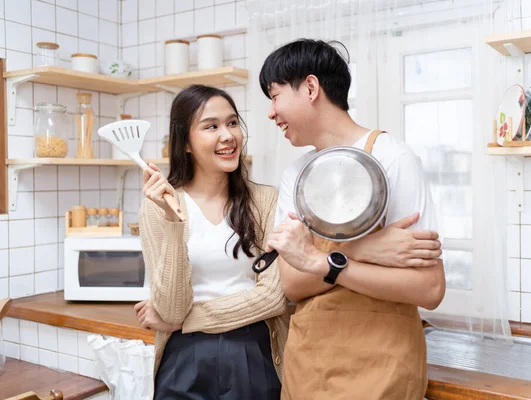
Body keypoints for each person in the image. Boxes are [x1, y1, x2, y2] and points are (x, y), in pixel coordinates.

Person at [260, 39, 446, 399]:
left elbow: (429, 289)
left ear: (311, 88)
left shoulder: (393, 159)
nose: (271, 112)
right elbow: (293, 284)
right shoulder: (296, 175)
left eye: (275, 95)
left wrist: (322, 262)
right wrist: (363, 247)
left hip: (382, 371)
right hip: (309, 367)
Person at [134, 85, 289, 400]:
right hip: (184, 358)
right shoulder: (157, 205)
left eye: (232, 123)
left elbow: (273, 297)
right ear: (186, 143)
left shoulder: (266, 200)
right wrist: (174, 221)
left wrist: (185, 321)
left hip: (253, 352)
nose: (228, 135)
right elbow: (170, 307)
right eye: (211, 126)